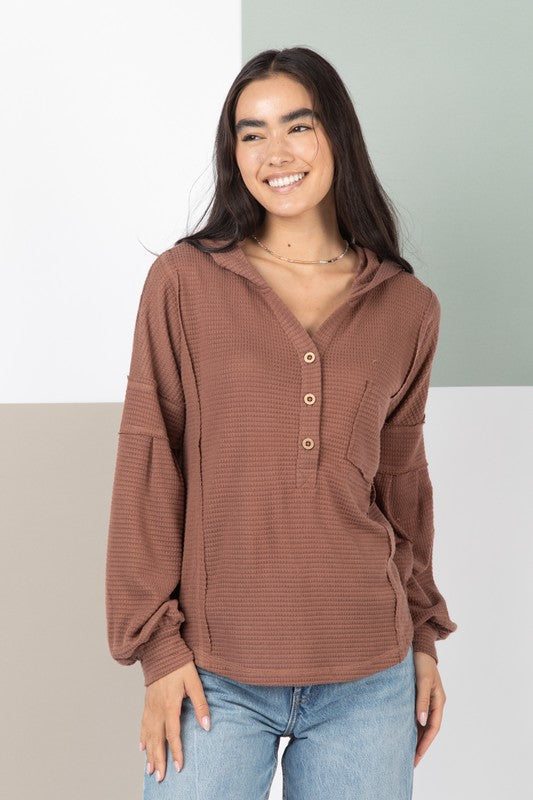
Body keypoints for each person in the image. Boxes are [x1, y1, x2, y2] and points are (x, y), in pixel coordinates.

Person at [105, 46, 458, 799]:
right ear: (233, 154)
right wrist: (158, 651)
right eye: (251, 133)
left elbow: (402, 487)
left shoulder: (407, 307)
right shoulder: (184, 282)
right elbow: (149, 465)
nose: (275, 153)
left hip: (370, 675)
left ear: (337, 135)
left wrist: (424, 637)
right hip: (213, 671)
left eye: (297, 126)